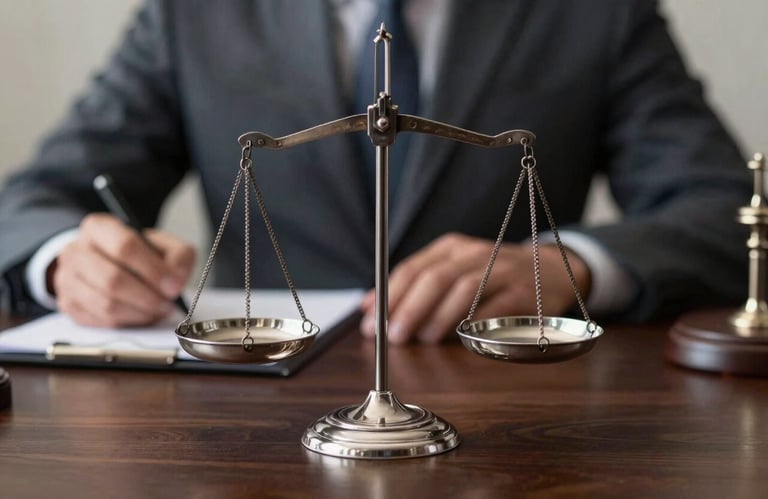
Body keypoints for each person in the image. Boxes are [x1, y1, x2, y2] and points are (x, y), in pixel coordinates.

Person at [0, 0, 751, 344]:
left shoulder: (596, 13)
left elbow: (726, 209)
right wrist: (67, 260)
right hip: (257, 416)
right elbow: (35, 198)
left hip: (512, 404)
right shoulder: (193, 13)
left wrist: (571, 264)